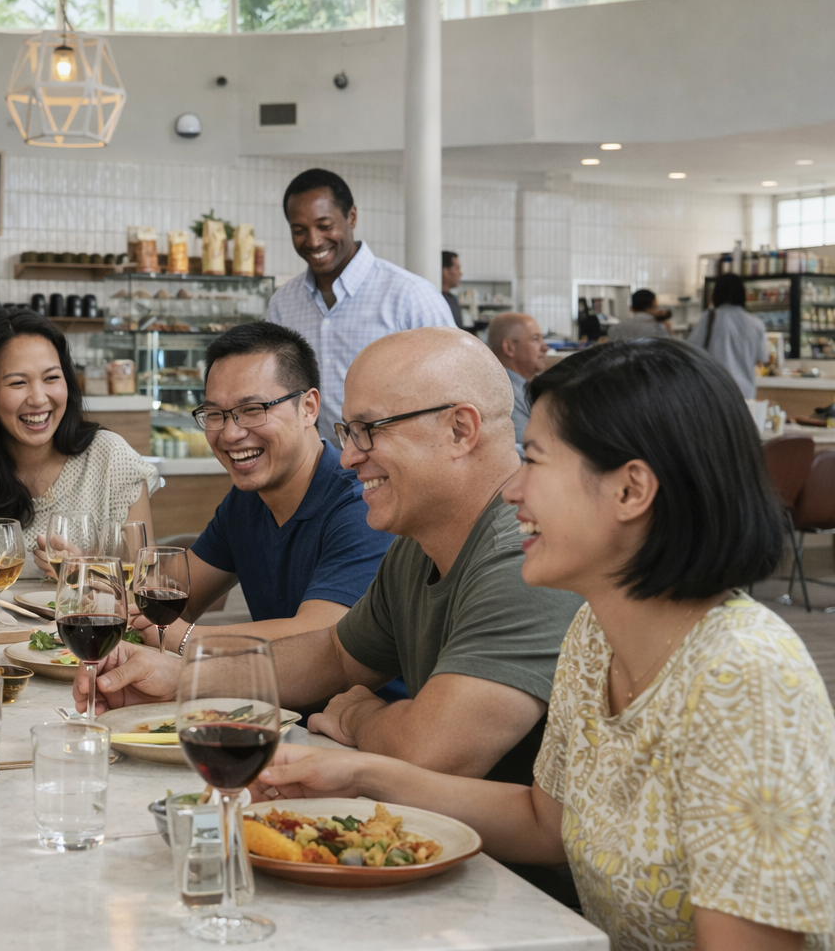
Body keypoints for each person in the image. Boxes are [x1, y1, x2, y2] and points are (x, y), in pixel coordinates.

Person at [252, 338, 833, 951]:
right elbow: (545, 822)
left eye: (534, 462)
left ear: (631, 491)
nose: (511, 490)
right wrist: (359, 774)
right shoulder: (595, 637)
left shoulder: (746, 677)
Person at [78, 327, 583, 786]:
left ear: (460, 430)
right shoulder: (414, 544)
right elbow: (337, 656)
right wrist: (179, 679)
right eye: (348, 432)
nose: (348, 457)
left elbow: (432, 750)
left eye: (370, 430)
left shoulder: (523, 552)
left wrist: (360, 716)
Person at [124, 321, 391, 646]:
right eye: (215, 414)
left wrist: (188, 638)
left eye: (252, 410)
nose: (230, 433)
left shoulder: (359, 501)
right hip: (277, 696)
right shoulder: (246, 500)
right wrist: (93, 576)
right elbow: (172, 593)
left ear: (308, 408)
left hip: (375, 698)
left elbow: (324, 636)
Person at [0, 308, 154, 579]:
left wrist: (88, 574)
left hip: (83, 622)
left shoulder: (112, 458)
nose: (39, 398)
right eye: (18, 383)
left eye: (51, 378)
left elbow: (142, 587)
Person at [266, 168, 456, 434]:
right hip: (315, 467)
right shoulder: (282, 303)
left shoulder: (411, 296)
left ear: (351, 217)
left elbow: (454, 387)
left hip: (392, 465)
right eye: (299, 230)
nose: (314, 240)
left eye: (325, 226)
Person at [687, 273, 767, 399]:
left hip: (714, 390)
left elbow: (691, 350)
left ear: (716, 293)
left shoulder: (708, 318)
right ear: (743, 294)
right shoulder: (757, 324)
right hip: (746, 392)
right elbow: (761, 359)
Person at [486, 312, 549, 450]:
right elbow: (530, 449)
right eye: (535, 339)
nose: (545, 347)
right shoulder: (504, 393)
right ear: (509, 347)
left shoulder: (523, 387)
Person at [441, 250, 465, 328]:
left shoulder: (453, 299)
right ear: (446, 271)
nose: (461, 273)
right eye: (457, 268)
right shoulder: (437, 300)